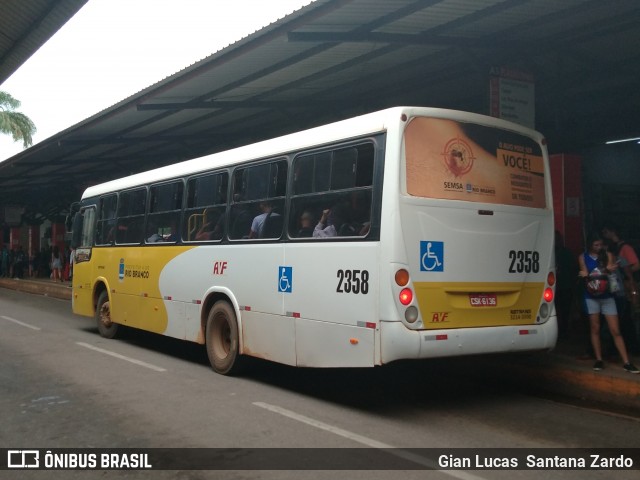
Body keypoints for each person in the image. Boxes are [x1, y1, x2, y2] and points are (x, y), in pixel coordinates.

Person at [578, 232, 639, 373]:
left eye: (600, 244)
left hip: (607, 296)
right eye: (596, 245)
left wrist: (600, 271)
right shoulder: (583, 257)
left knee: (616, 330)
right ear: (590, 245)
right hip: (591, 296)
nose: (599, 247)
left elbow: (605, 273)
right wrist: (604, 270)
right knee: (595, 328)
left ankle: (626, 362)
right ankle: (599, 359)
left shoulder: (608, 255)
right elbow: (585, 274)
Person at [554, 231, 578, 340]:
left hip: (564, 286)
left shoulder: (565, 253)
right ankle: (560, 331)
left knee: (564, 311)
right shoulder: (559, 252)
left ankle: (563, 332)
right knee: (560, 311)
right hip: (558, 286)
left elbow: (574, 269)